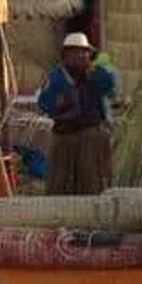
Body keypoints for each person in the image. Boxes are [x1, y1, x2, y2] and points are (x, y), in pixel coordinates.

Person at [36, 32, 118, 195]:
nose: (80, 56)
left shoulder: (95, 73)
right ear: (66, 56)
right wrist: (61, 101)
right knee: (61, 184)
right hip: (65, 138)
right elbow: (44, 103)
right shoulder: (56, 77)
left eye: (83, 53)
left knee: (92, 182)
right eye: (74, 52)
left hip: (91, 137)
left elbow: (109, 84)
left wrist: (93, 72)